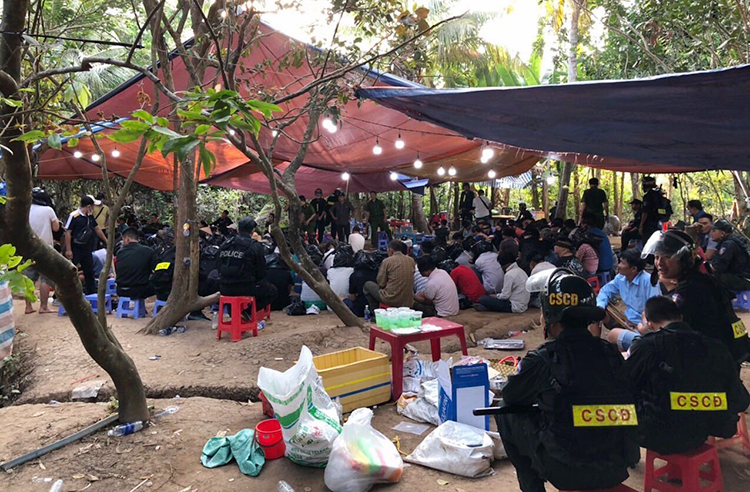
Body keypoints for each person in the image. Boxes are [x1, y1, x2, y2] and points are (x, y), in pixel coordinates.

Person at [497, 268, 639, 491]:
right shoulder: (611, 353)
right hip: (617, 464)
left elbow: (512, 395)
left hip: (567, 471)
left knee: (505, 410)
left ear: (550, 318)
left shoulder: (543, 358)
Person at [623, 296, 750, 455]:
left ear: (649, 324)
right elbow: (741, 400)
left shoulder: (648, 346)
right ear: (681, 317)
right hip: (708, 429)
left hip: (660, 433)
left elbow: (625, 384)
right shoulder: (716, 347)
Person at [642, 229, 749, 366]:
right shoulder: (701, 280)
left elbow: (669, 327)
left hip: (715, 361)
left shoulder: (690, 290)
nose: (659, 263)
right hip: (727, 353)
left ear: (683, 260)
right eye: (657, 257)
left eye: (667, 257)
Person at [218, 217, 278, 319]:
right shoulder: (254, 246)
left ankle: (233, 313)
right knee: (272, 291)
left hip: (224, 288)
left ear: (238, 230)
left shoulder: (225, 244)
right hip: (246, 287)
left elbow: (218, 266)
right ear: (253, 231)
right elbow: (261, 272)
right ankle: (247, 312)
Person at [595, 249, 661, 336]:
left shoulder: (649, 282)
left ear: (633, 269)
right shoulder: (621, 278)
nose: (619, 265)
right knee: (595, 313)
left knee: (613, 335)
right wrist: (600, 306)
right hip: (625, 320)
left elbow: (654, 309)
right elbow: (605, 291)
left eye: (622, 263)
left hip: (641, 328)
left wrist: (642, 325)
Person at [25, 188, 60, 313]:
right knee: (45, 279)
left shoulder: (25, 209)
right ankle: (43, 307)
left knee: (28, 279)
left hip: (27, 248)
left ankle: (28, 307)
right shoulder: (48, 210)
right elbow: (56, 228)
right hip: (45, 248)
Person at [65, 196, 108, 294]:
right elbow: (68, 232)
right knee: (70, 270)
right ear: (89, 206)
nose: (93, 208)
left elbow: (97, 228)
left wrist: (106, 240)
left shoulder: (90, 217)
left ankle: (91, 292)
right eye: (93, 206)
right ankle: (62, 294)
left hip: (87, 248)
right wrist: (68, 249)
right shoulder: (74, 216)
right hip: (75, 248)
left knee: (89, 271)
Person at [364, 240, 415, 310]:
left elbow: (381, 283)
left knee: (367, 285)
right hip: (408, 300)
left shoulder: (387, 261)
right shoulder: (411, 260)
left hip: (391, 298)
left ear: (391, 250)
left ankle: (375, 312)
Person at [708, 219, 750, 292]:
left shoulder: (728, 244)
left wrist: (708, 267)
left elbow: (720, 266)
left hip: (742, 278)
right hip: (738, 276)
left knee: (711, 277)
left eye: (714, 231)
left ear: (722, 233)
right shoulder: (728, 242)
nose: (711, 233)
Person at [114, 227, 157, 299]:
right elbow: (157, 269)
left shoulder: (120, 253)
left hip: (121, 290)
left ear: (127, 239)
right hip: (140, 290)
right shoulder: (148, 251)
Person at [347, 252, 379, 317]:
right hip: (376, 308)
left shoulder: (354, 276)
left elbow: (352, 297)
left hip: (359, 310)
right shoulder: (377, 273)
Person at [640, 176, 670, 241]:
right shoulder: (659, 194)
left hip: (650, 224)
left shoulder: (648, 196)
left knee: (648, 242)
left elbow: (645, 212)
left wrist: (641, 225)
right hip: (661, 223)